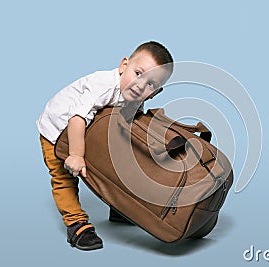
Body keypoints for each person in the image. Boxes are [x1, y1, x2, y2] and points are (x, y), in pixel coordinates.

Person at [37, 41, 173, 251]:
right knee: (64, 177)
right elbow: (77, 117)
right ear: (123, 65)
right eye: (138, 73)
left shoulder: (135, 99)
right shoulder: (104, 85)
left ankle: (118, 207)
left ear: (156, 92)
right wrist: (75, 155)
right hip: (57, 129)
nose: (140, 86)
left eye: (151, 84)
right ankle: (77, 224)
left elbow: (125, 125)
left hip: (90, 132)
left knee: (115, 164)